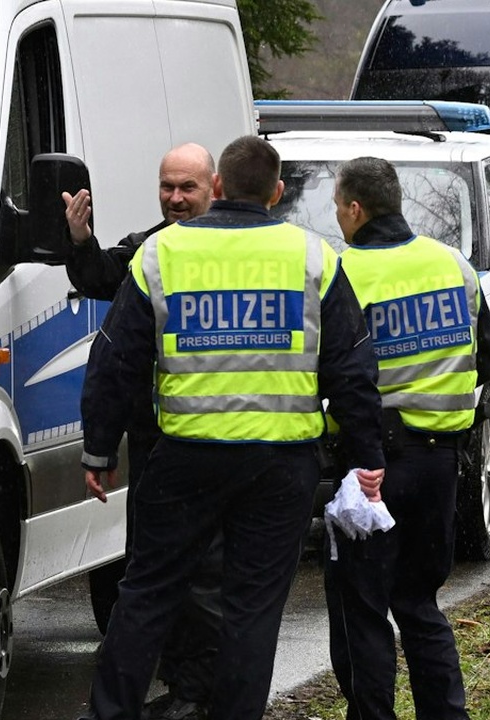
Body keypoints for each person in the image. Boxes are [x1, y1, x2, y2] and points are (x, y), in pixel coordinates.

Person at [77, 135, 386, 720]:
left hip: (185, 457)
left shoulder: (162, 254)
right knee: (252, 609)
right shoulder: (314, 257)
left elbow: (115, 358)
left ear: (216, 187)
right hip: (281, 465)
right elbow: (352, 366)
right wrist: (366, 455)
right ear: (276, 193)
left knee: (146, 593)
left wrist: (99, 449)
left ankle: (110, 712)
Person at [324, 156, 490, 720]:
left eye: (338, 208)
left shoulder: (342, 272)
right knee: (420, 604)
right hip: (439, 465)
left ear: (355, 209)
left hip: (372, 468)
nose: (337, 219)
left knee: (363, 611)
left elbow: (331, 375)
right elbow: (488, 362)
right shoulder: (452, 264)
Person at [62, 143, 222, 720]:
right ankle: (185, 689)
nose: (176, 199)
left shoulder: (246, 247)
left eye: (188, 189)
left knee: (201, 578)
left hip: (236, 441)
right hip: (160, 438)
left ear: (216, 188)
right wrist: (80, 242)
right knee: (157, 571)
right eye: (168, 188)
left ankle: (196, 693)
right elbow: (106, 283)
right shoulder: (152, 248)